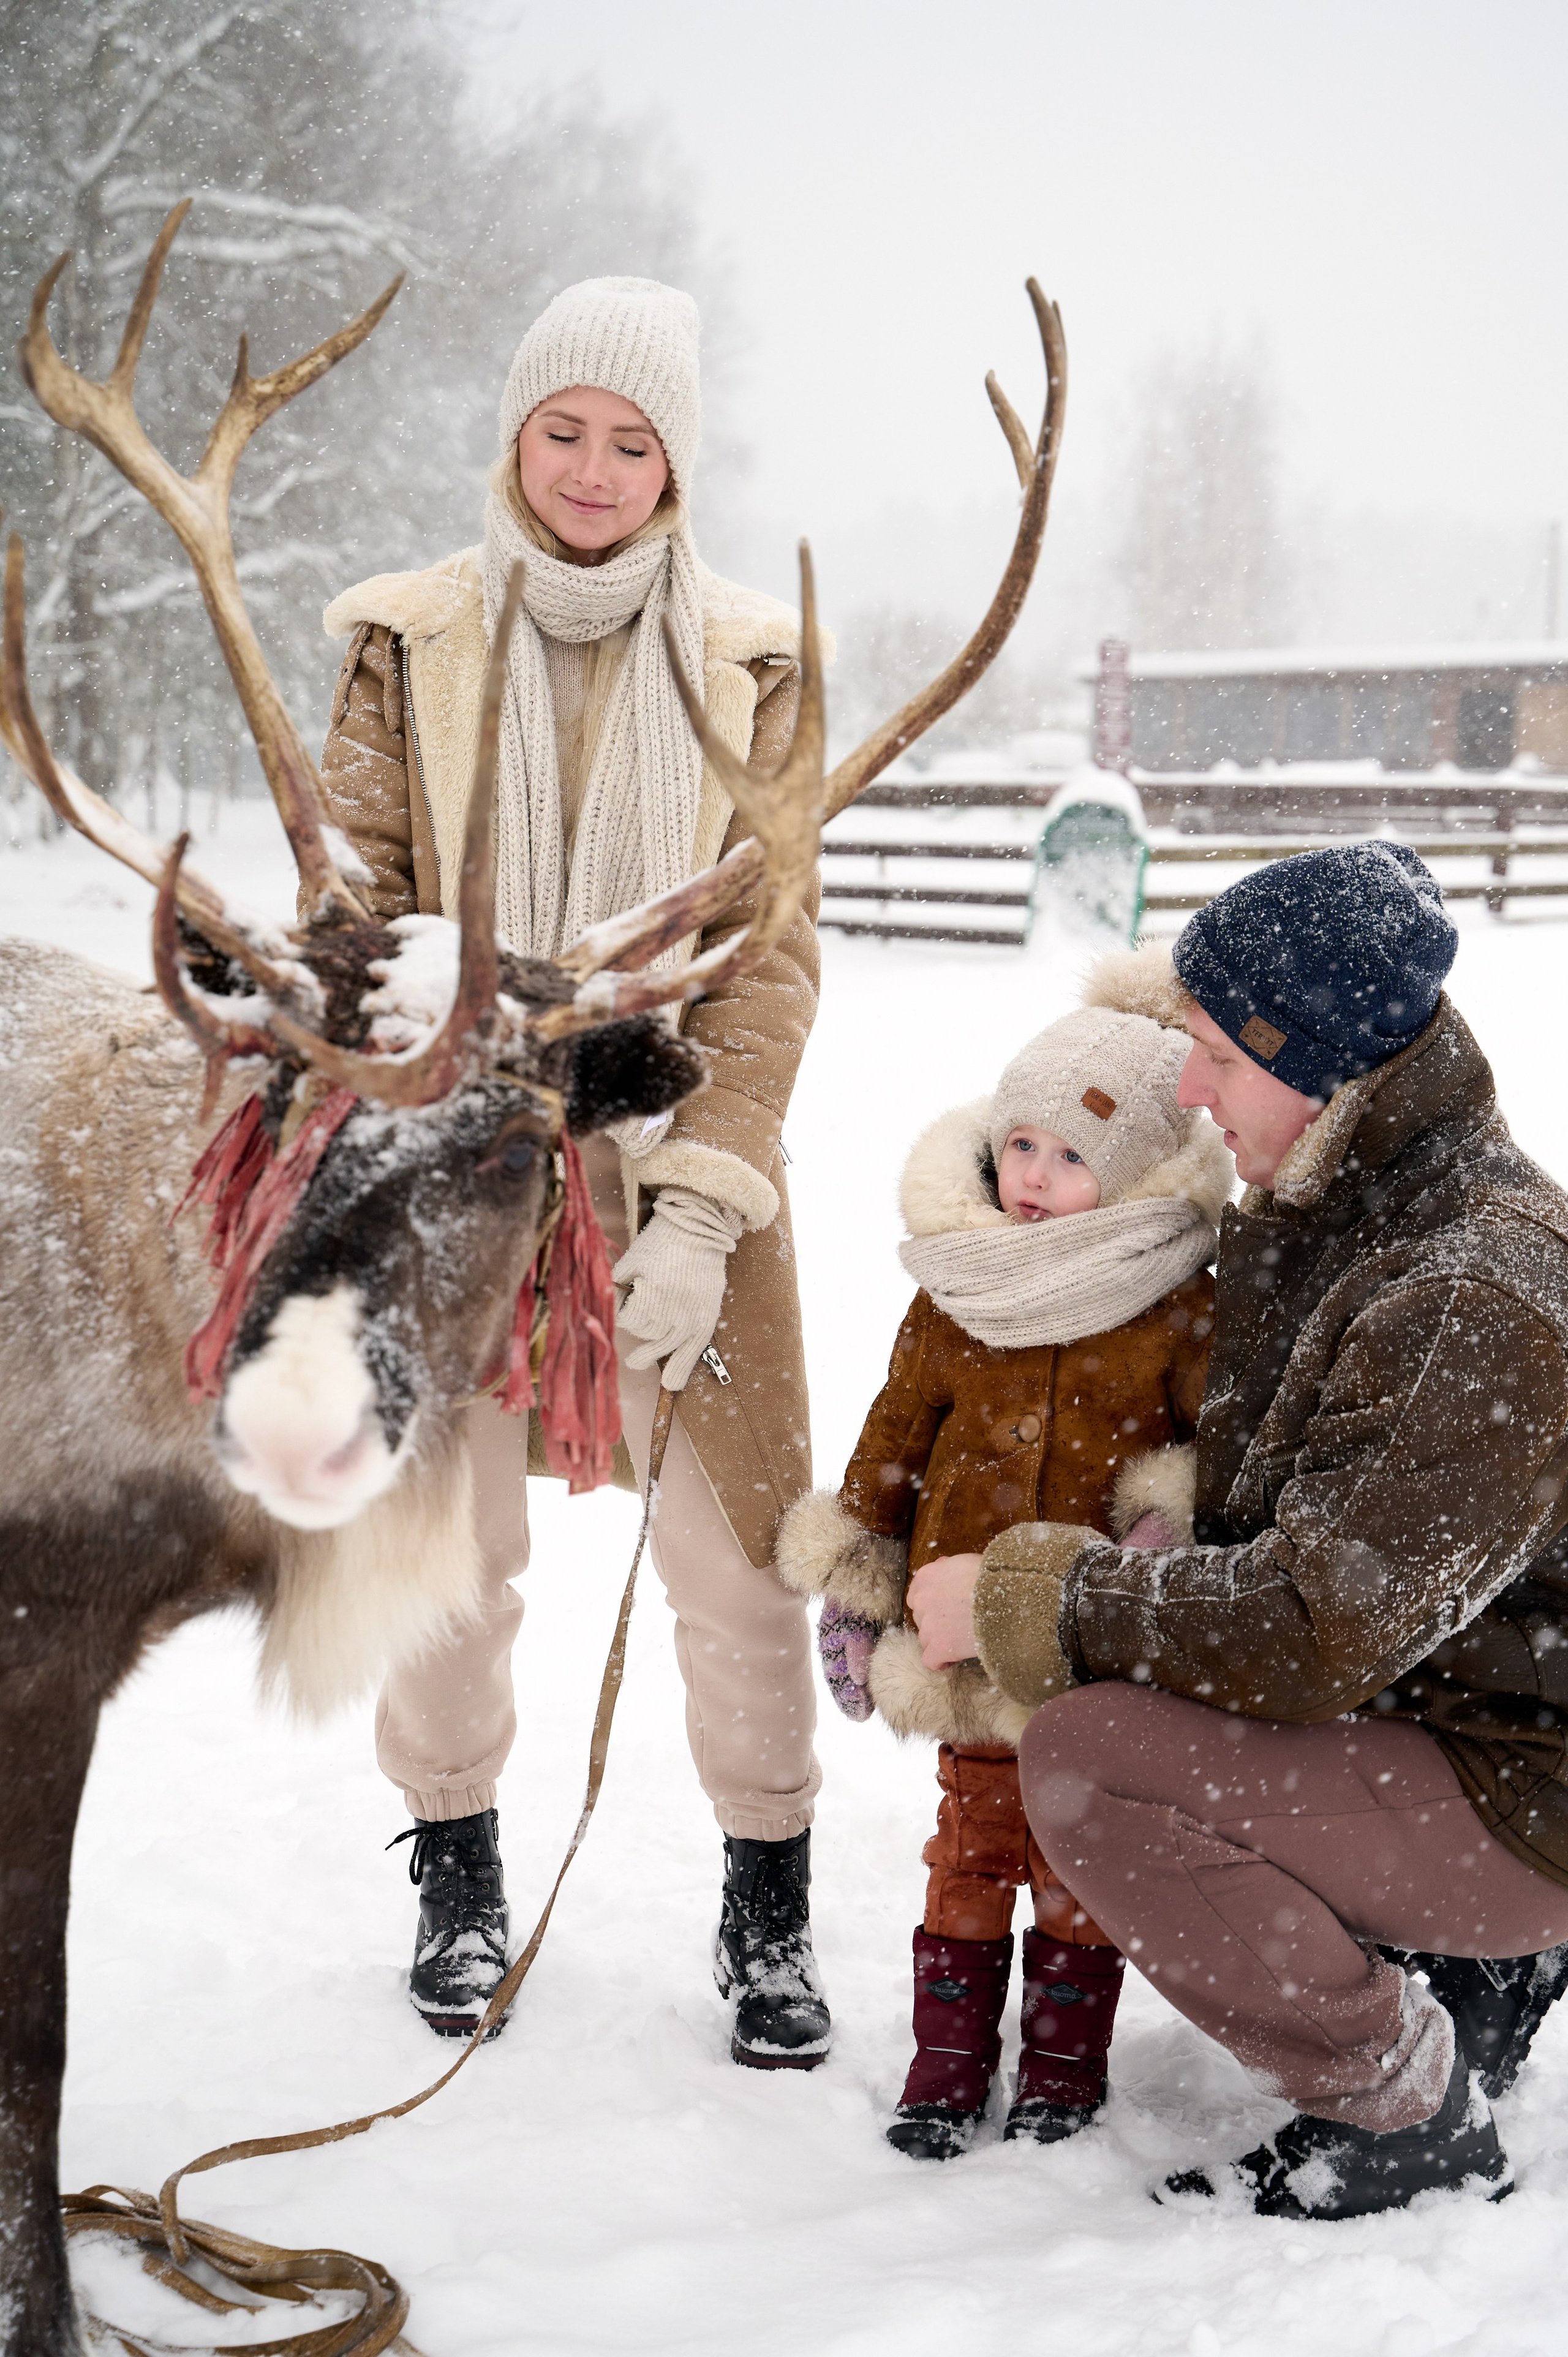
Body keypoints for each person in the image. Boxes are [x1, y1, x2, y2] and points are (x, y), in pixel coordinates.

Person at [315, 275, 831, 2068]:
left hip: (682, 1151)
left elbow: (771, 962)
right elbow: (348, 905)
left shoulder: (760, 663)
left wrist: (700, 1204)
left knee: (747, 1557)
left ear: (676, 460)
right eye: (566, 430)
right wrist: (442, 1027)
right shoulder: (408, 639)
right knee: (440, 1550)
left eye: (634, 440)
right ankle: (457, 1870)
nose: (597, 470)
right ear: (516, 430)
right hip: (453, 1156)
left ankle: (769, 1895)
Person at [909, 842, 1568, 2215]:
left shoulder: (1463, 1290)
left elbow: (1309, 1627)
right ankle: (1458, 1968)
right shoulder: (1348, 1199)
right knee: (1139, 1680)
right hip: (1452, 1699)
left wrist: (1037, 1594)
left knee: (1092, 1760)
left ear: (1309, 1056)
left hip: (1523, 1782)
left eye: (1211, 1053)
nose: (1191, 1091)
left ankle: (1406, 2104)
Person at [774, 953, 1231, 2155]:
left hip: (1088, 1646)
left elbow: (1210, 1453)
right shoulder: (953, 1294)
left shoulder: (1177, 1303)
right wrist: (858, 1582)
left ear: (1131, 1168)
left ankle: (1061, 2069)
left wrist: (1156, 1529)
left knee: (1080, 1862)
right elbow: (892, 1439)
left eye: (1072, 1156)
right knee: (971, 1851)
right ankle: (944, 2063)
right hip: (954, 1635)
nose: (1034, 1174)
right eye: (1021, 1143)